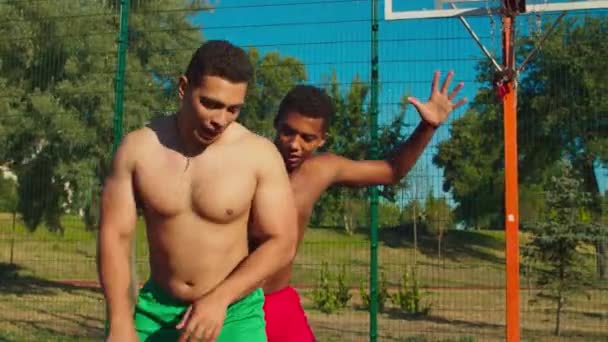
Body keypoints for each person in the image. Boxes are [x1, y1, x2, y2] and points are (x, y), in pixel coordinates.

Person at [97, 40, 299, 342]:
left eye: (233, 109)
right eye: (210, 103)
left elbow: (282, 242)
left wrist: (221, 298)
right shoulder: (139, 149)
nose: (220, 119)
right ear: (183, 87)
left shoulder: (259, 155)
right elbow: (115, 235)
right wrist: (119, 320)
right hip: (156, 313)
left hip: (234, 313)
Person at [255, 71, 467, 341]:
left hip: (277, 302)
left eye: (307, 138)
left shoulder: (321, 170)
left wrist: (428, 126)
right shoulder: (249, 159)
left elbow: (391, 170)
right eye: (288, 132)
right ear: (276, 123)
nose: (295, 145)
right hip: (234, 303)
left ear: (322, 139)